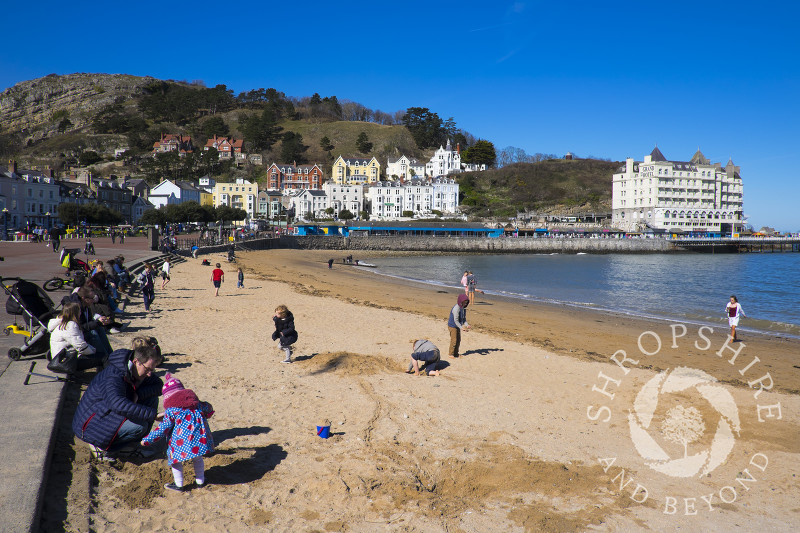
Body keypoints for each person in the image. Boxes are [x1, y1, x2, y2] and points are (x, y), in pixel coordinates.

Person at [72, 342, 164, 459]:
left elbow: (158, 385)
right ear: (136, 361)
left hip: (107, 411)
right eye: (147, 369)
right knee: (140, 427)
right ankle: (102, 447)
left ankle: (131, 445)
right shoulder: (114, 376)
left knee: (151, 399)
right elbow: (118, 404)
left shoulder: (133, 369)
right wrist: (154, 415)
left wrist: (139, 394)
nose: (150, 374)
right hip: (90, 424)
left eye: (152, 370)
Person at [141, 373, 215, 492]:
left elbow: (162, 429)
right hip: (199, 440)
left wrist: (147, 440)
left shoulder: (172, 411)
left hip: (180, 442)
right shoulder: (197, 405)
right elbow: (209, 408)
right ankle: (200, 481)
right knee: (197, 458)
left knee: (176, 461)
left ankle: (179, 484)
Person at [447, 294, 471, 358]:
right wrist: (461, 328)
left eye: (466, 302)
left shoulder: (463, 308)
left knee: (458, 340)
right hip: (452, 325)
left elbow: (463, 319)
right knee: (454, 340)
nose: (465, 304)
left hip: (458, 326)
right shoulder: (456, 308)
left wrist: (467, 325)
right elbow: (456, 320)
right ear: (460, 301)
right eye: (464, 302)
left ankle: (456, 353)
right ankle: (451, 354)